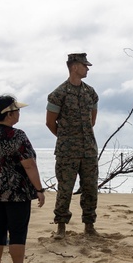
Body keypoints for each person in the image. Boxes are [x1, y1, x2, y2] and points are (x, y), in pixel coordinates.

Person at [0, 95, 46, 263]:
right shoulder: (17, 135)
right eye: (16, 110)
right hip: (17, 192)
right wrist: (39, 189)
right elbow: (29, 165)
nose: (19, 113)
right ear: (8, 114)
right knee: (18, 231)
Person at [46, 53, 99, 238]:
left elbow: (92, 119)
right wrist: (66, 138)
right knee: (65, 189)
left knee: (91, 188)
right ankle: (61, 226)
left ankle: (89, 225)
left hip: (89, 150)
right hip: (67, 152)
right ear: (75, 66)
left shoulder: (90, 92)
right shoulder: (58, 94)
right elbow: (50, 123)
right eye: (85, 65)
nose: (87, 68)